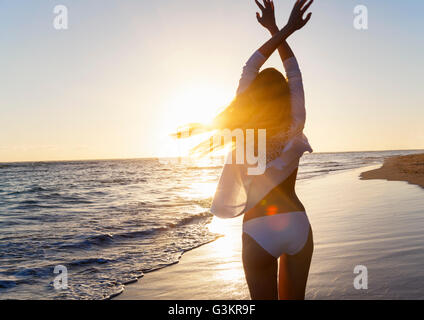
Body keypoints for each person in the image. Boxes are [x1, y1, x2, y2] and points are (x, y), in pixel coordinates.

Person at [176, 0, 314, 300]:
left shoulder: (244, 129)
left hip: (258, 229)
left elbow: (251, 66)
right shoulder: (295, 121)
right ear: (285, 97)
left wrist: (279, 29)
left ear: (252, 98)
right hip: (297, 224)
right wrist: (283, 29)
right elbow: (295, 75)